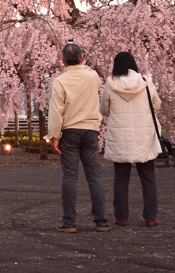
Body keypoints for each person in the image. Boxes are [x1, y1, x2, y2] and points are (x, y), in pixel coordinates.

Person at [45, 40, 111, 233]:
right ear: (83, 58)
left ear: (62, 61)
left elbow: (56, 111)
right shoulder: (93, 77)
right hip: (90, 130)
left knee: (70, 177)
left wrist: (54, 136)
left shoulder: (59, 82)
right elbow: (96, 80)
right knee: (94, 176)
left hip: (70, 131)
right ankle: (101, 221)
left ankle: (69, 222)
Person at [100, 51, 161, 227]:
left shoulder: (110, 85)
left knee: (120, 179)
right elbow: (156, 105)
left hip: (120, 138)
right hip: (144, 137)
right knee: (148, 178)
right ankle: (151, 217)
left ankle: (121, 217)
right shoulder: (145, 83)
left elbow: (104, 109)